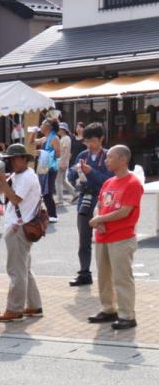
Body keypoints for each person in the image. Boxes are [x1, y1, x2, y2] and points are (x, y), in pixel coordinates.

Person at [87, 144, 143, 330]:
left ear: (123, 160)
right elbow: (100, 204)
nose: (106, 160)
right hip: (103, 237)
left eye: (110, 157)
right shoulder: (108, 182)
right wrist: (99, 220)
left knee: (122, 277)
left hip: (122, 237)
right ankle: (108, 309)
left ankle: (127, 314)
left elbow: (125, 211)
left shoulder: (132, 183)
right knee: (104, 276)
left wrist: (100, 219)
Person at [0, 144, 44, 321]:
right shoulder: (20, 175)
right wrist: (2, 179)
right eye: (9, 159)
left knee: (16, 271)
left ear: (24, 159)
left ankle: (15, 309)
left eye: (14, 158)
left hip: (18, 227)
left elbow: (14, 199)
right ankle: (34, 305)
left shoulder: (27, 177)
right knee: (25, 269)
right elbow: (3, 193)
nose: (11, 162)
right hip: (19, 225)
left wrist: (1, 180)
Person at [70, 123, 111, 287]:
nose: (90, 145)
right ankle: (84, 272)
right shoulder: (82, 155)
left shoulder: (109, 156)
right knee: (84, 239)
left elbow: (108, 181)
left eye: (93, 140)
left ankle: (109, 273)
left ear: (101, 138)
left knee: (107, 239)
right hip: (85, 198)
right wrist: (76, 170)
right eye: (87, 141)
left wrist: (90, 172)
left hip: (104, 201)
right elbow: (71, 175)